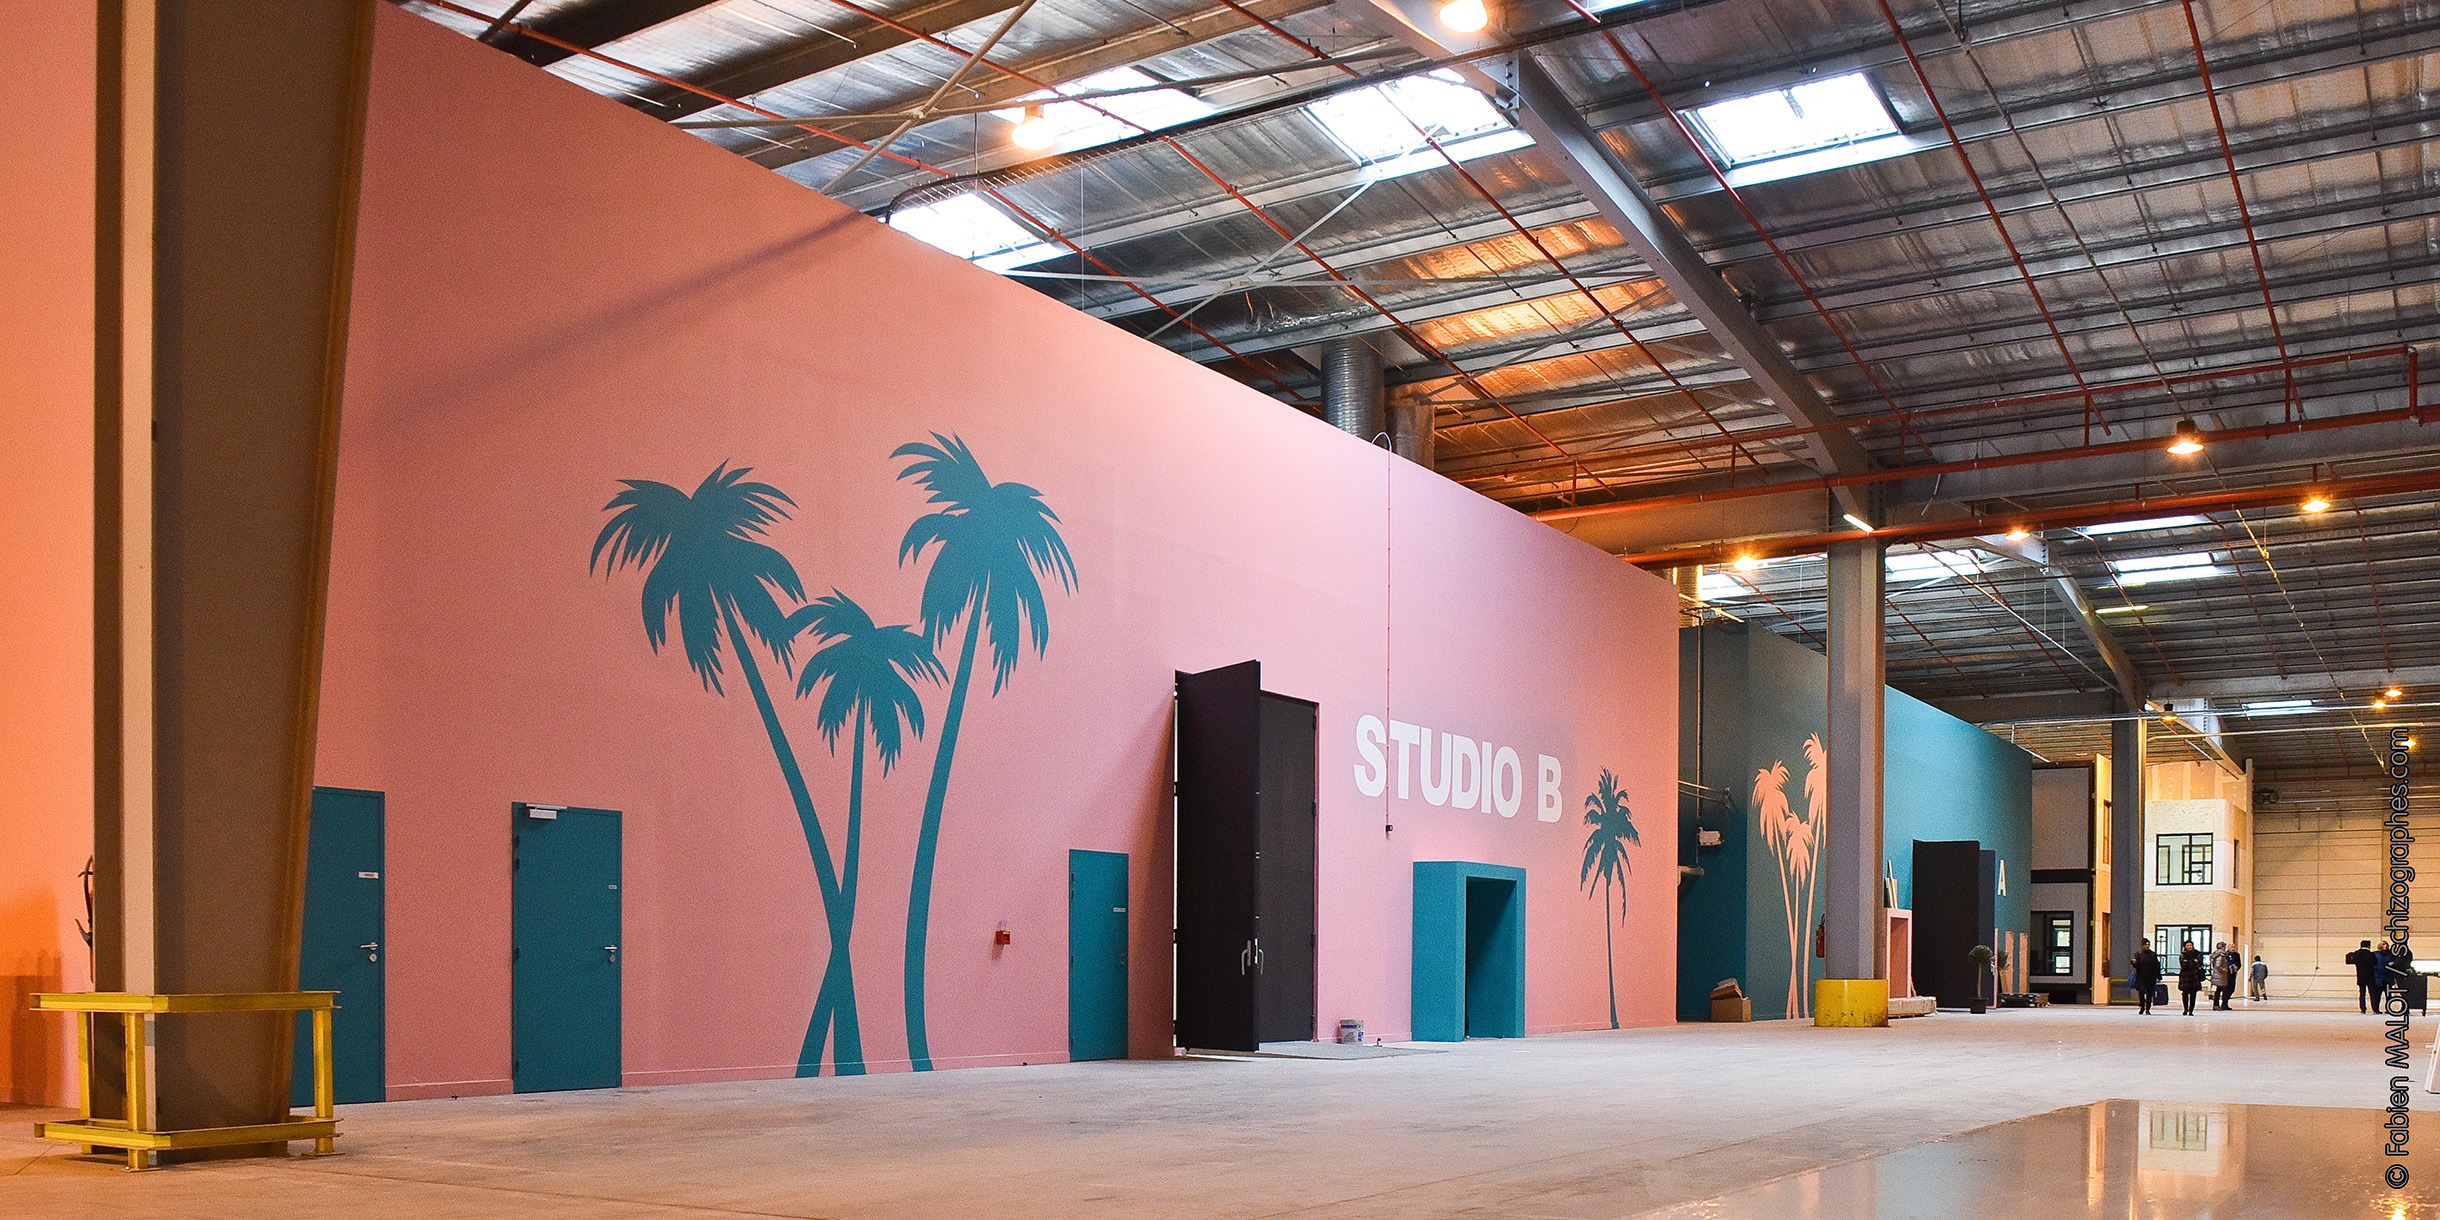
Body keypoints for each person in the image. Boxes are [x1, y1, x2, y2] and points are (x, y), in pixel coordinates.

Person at [2349, 940, 2383, 1013]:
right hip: (2370, 976)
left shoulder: (2356, 954)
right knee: (2372, 993)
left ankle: (2363, 1008)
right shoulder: (2371, 954)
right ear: (2368, 946)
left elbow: (2352, 961)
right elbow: (2375, 962)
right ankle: (2375, 1009)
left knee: (2362, 994)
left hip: (2360, 976)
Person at [2131, 943, 2162, 1015]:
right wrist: (2133, 962)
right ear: (2142, 946)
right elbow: (2136, 965)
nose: (2147, 946)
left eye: (2148, 945)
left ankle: (2148, 1008)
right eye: (2146, 945)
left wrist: (2158, 976)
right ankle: (2142, 1006)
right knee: (2141, 992)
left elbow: (2157, 966)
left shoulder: (2153, 955)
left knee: (2149, 993)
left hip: (2151, 977)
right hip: (2141, 976)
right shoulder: (2139, 954)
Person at [2178, 943, 2206, 1016]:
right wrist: (2193, 961)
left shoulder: (2197, 953)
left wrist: (2188, 962)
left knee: (2193, 994)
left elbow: (2199, 964)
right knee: (2185, 994)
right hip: (2185, 977)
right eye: (2187, 945)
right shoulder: (2182, 954)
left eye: (2190, 945)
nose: (2189, 947)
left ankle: (2191, 1010)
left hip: (2194, 976)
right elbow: (2183, 965)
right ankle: (2185, 1009)